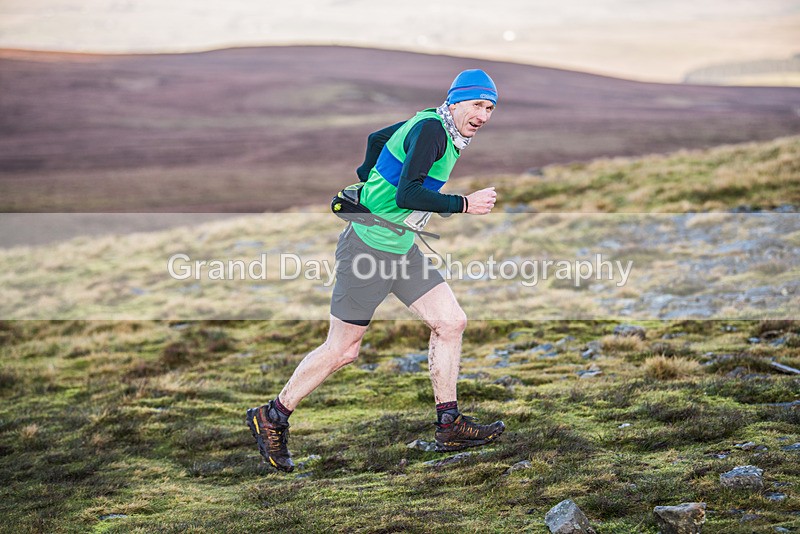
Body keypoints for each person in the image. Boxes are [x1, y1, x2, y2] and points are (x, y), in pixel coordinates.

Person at [247, 69, 505, 472]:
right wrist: (464, 204)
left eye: (490, 108)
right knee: (343, 350)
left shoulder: (436, 126)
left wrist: (367, 181)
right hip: (366, 249)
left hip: (400, 248)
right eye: (477, 104)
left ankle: (449, 423)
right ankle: (272, 416)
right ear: (455, 101)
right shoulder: (434, 131)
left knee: (451, 322)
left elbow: (377, 140)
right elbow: (409, 192)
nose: (484, 115)